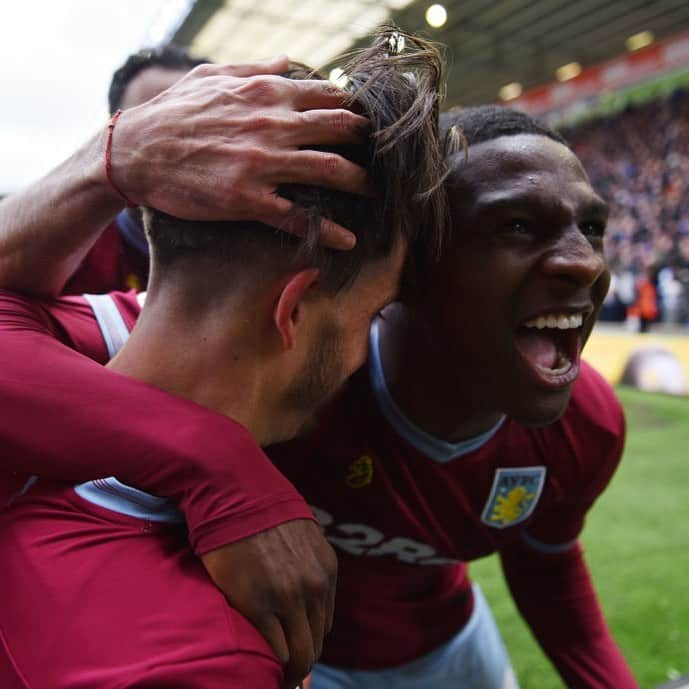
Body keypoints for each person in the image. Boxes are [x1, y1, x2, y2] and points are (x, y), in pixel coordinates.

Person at [0, 97, 638, 686]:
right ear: (412, 273)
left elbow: (548, 569)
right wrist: (219, 463)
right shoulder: (280, 355)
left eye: (593, 228)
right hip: (308, 659)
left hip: (452, 649)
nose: (587, 263)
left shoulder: (587, 427)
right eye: (519, 226)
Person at [0, 32, 449, 689]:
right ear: (292, 311)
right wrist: (213, 457)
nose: (363, 355)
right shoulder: (207, 662)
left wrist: (116, 158)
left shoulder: (61, 339)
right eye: (371, 315)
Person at [65, 43, 210, 294]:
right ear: (111, 135)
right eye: (150, 123)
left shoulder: (269, 242)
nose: (178, 144)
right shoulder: (71, 253)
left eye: (198, 118)